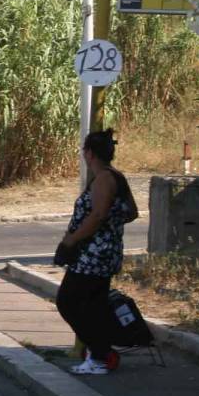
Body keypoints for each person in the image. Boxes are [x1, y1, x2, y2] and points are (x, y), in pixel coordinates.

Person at [55, 128, 137, 375]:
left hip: (93, 255)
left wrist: (71, 241)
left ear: (89, 153)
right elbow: (131, 212)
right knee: (94, 305)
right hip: (106, 252)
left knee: (68, 302)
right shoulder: (116, 177)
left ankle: (100, 353)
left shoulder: (103, 179)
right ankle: (99, 355)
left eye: (84, 151)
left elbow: (98, 214)